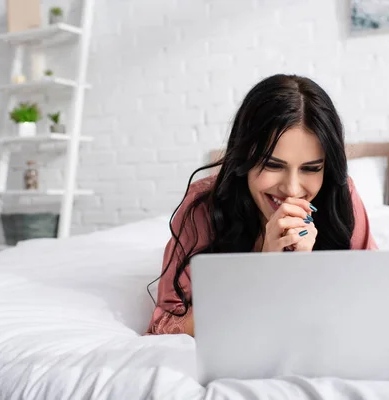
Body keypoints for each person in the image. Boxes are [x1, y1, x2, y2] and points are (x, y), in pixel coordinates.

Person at [146, 74, 377, 337]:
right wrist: (261, 274)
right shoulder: (204, 206)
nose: (292, 189)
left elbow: (376, 296)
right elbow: (163, 324)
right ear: (245, 158)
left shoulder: (340, 195)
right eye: (273, 165)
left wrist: (305, 270)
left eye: (311, 169)